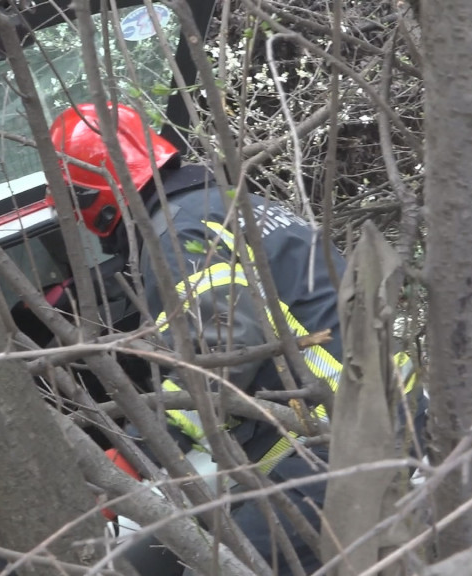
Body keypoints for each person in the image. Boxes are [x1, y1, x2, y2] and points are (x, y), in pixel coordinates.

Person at [48, 102, 426, 573]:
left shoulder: (173, 234)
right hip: (384, 412)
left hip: (340, 436)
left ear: (87, 197)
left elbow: (220, 360)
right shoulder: (224, 204)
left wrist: (134, 456)